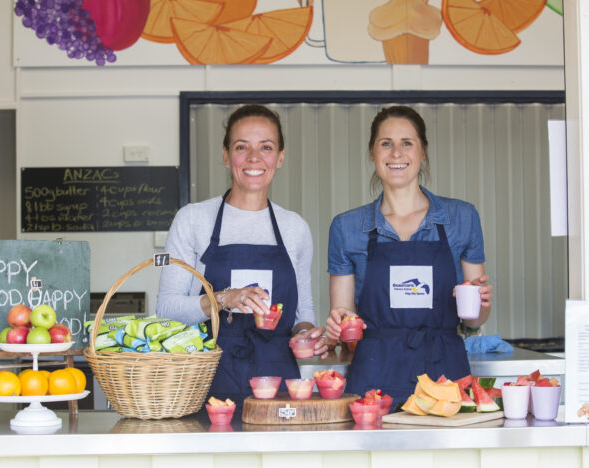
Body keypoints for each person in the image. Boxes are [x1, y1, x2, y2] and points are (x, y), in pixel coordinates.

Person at [157, 104, 327, 404]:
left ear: (280, 157)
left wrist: (307, 335)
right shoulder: (194, 219)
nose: (254, 158)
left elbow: (303, 315)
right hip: (206, 385)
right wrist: (225, 298)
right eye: (241, 147)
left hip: (279, 387)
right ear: (225, 155)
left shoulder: (294, 228)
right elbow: (167, 309)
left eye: (266, 147)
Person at [326, 105, 493, 406]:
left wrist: (478, 303)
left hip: (445, 375)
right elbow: (346, 322)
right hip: (374, 379)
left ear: (423, 152)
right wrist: (339, 325)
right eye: (385, 143)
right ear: (372, 153)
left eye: (407, 143)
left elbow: (473, 321)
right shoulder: (347, 228)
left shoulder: (461, 218)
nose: (396, 153)